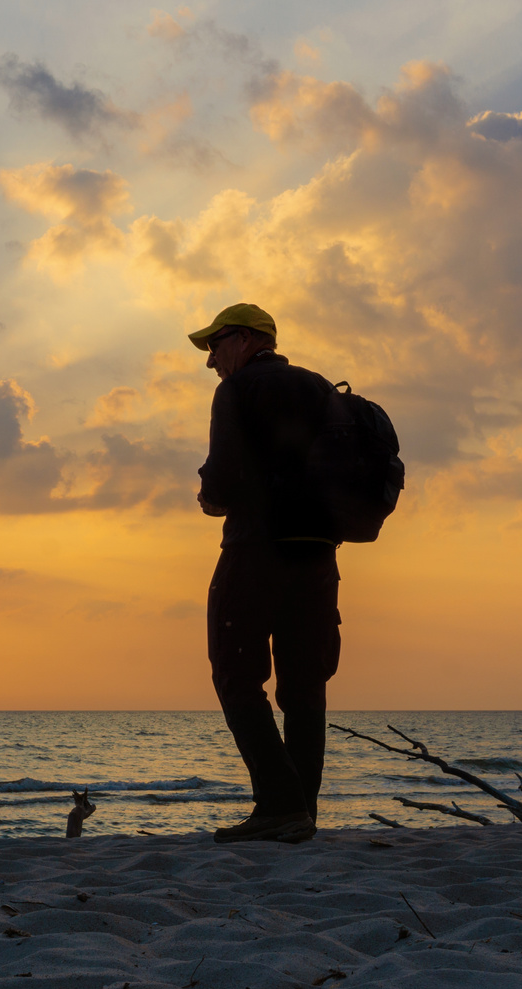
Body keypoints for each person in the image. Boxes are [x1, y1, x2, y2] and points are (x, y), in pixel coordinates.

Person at [191, 303, 341, 844]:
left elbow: (224, 481)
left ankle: (280, 806)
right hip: (319, 557)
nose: (211, 361)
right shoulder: (321, 388)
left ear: (249, 339)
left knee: (235, 674)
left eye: (216, 345)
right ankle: (302, 810)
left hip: (255, 553)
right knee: (305, 685)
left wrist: (208, 496)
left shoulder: (237, 392)